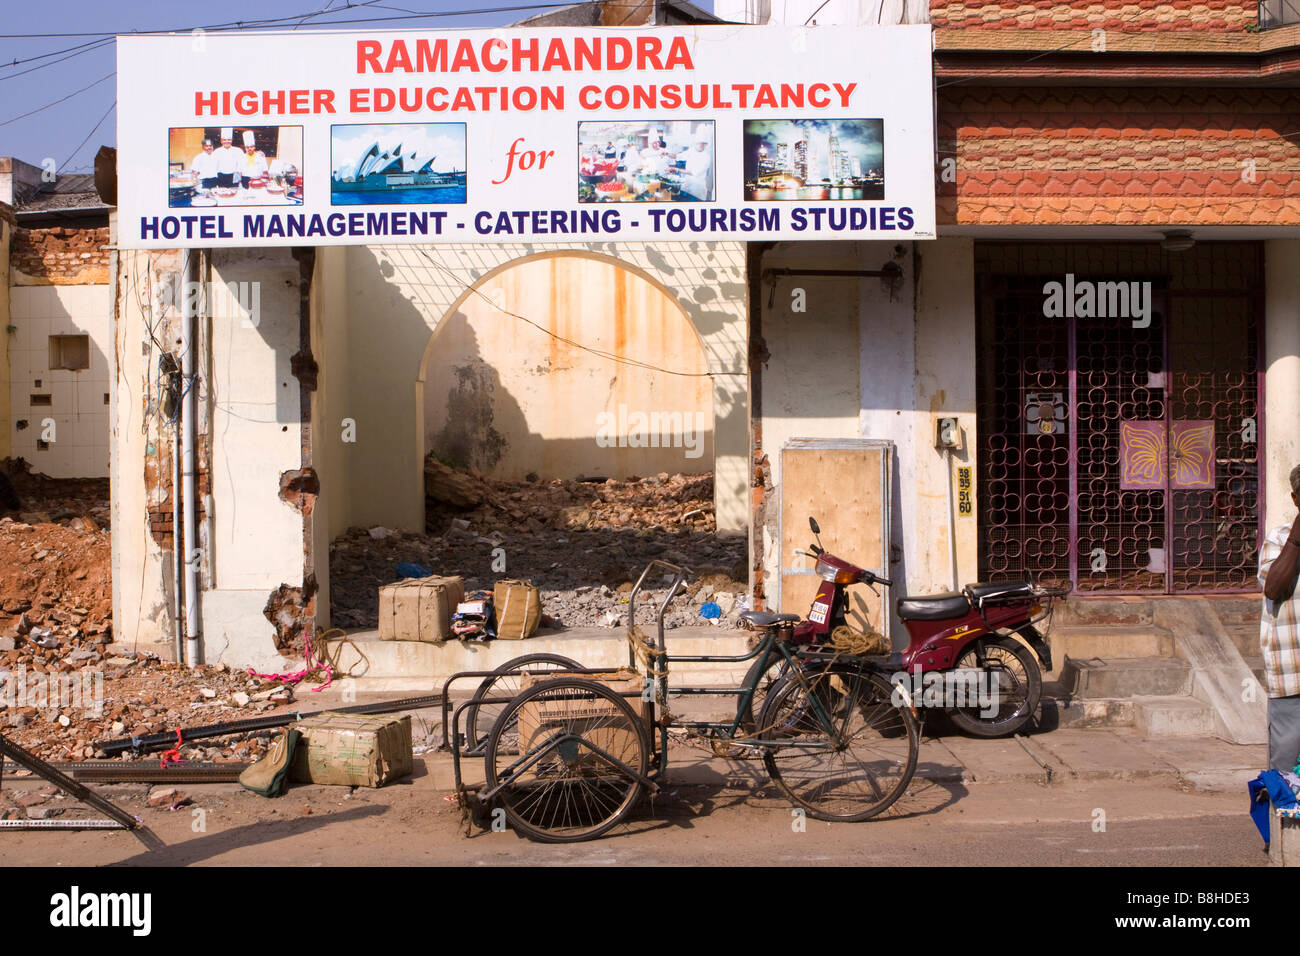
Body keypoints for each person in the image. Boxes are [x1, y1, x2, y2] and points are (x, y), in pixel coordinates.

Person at [1260, 463, 1300, 773]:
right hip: (1292, 677)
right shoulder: (1279, 540)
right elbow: (1273, 588)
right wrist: (1297, 537)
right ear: (1295, 500)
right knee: (1288, 775)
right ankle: (1289, 822)